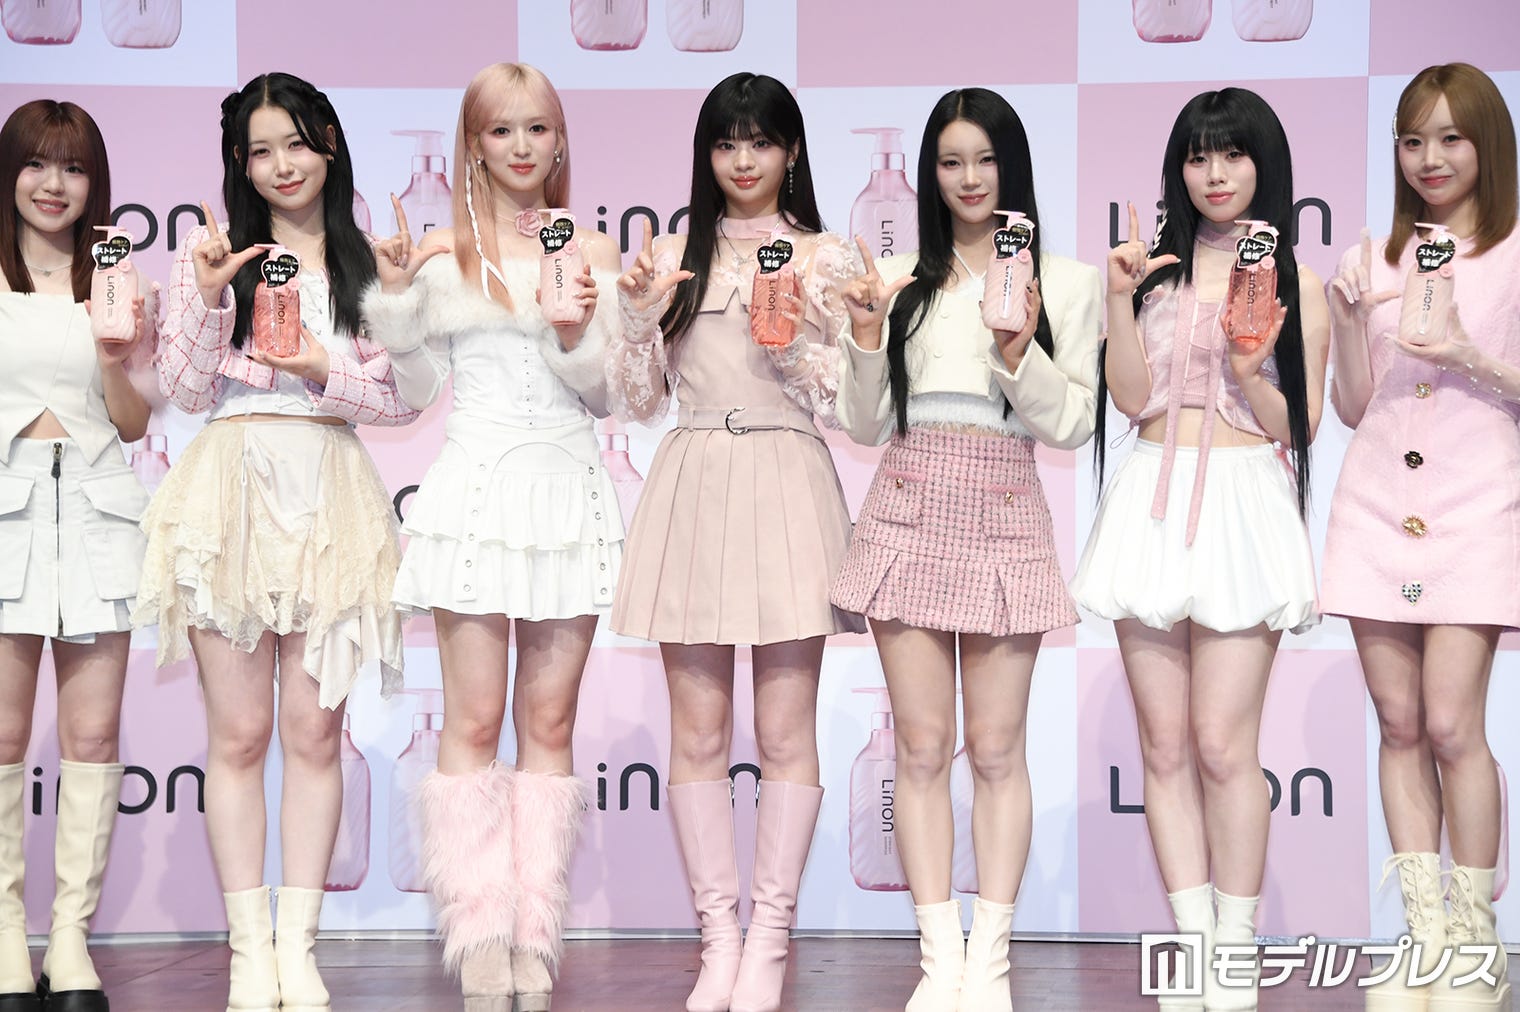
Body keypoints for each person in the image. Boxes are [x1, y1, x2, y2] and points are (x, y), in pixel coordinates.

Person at [135, 72, 417, 1012]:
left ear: (329, 142)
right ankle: (247, 951)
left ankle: (299, 947)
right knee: (241, 733)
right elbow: (183, 388)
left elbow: (401, 400)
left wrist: (322, 364)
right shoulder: (215, 254)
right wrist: (211, 299)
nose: (282, 165)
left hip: (330, 493)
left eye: (295, 143)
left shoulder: (369, 263)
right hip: (232, 492)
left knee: (314, 731)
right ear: (240, 163)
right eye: (260, 151)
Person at [830, 87, 1101, 1012]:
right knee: (920, 745)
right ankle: (937, 958)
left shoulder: (1065, 282)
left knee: (994, 748)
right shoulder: (896, 276)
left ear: (1011, 166)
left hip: (1004, 507)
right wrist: (866, 334)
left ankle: (990, 960)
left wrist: (1019, 350)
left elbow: (1071, 424)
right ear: (929, 173)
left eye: (985, 159)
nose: (970, 178)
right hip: (906, 505)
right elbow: (864, 424)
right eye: (951, 162)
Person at [362, 61, 623, 1012]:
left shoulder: (591, 251)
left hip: (565, 495)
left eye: (537, 128)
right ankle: (478, 935)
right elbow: (418, 390)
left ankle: (532, 936)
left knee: (548, 727)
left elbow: (607, 394)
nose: (521, 147)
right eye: (501, 129)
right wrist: (396, 305)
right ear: (472, 143)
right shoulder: (439, 253)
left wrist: (575, 328)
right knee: (471, 723)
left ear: (561, 141)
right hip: (474, 496)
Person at [607, 71, 864, 1012]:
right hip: (693, 478)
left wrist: (790, 338)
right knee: (701, 730)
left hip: (787, 475)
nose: (743, 160)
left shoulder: (830, 256)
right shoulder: (672, 253)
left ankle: (770, 939)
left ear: (792, 151)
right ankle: (718, 937)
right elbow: (637, 400)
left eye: (761, 141)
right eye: (726, 142)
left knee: (786, 730)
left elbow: (851, 401)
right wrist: (638, 317)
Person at [1069, 88, 1329, 1012]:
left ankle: (1238, 948)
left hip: (1242, 501)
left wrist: (1253, 373)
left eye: (1232, 154)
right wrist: (1117, 295)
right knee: (1165, 745)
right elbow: (1128, 397)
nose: (1214, 174)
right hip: (1149, 493)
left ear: (1265, 165)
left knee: (1223, 744)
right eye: (1197, 155)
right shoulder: (1153, 273)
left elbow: (1296, 427)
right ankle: (1193, 945)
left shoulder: (1293, 281)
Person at [1321, 62, 1519, 1010]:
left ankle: (1476, 943)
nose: (1429, 158)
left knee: (1450, 723)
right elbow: (1354, 405)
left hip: (1477, 508)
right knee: (1399, 725)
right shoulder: (1378, 256)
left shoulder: (1515, 252)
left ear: (1488, 144)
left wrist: (1471, 355)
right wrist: (1344, 316)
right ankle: (1423, 935)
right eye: (1412, 140)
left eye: (1449, 138)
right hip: (1374, 510)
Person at [0, 98, 153, 1012]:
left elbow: (133, 423)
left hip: (98, 514)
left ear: (95, 183)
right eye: (36, 163)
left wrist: (110, 351)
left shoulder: (118, 280)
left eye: (74, 167)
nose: (53, 184)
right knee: (4, 735)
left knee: (92, 736)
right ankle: (3, 933)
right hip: (6, 513)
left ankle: (68, 937)